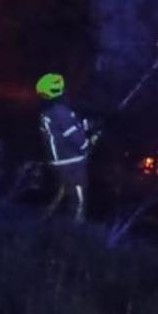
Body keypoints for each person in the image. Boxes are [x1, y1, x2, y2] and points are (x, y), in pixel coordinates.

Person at [36, 72, 97, 222]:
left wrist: (87, 124)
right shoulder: (61, 111)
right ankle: (75, 233)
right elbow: (75, 137)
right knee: (78, 200)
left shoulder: (48, 112)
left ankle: (42, 221)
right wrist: (90, 142)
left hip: (59, 162)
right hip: (71, 162)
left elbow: (66, 128)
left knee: (62, 192)